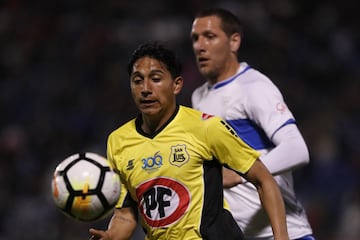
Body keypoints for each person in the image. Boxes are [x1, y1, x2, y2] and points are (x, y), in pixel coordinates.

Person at [88, 42, 289, 240]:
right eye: (137, 80)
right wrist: (111, 236)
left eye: (156, 79)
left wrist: (281, 237)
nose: (145, 89)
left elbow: (264, 179)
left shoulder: (206, 128)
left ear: (176, 85)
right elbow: (125, 215)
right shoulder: (118, 141)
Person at [190, 8, 315, 240]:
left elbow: (297, 149)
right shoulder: (198, 97)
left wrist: (240, 173)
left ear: (234, 41)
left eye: (210, 36)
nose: (200, 46)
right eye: (195, 38)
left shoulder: (254, 87)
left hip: (286, 233)